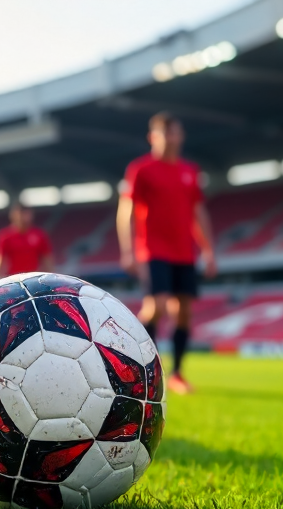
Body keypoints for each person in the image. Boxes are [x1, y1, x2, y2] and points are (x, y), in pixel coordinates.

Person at [116, 112, 216, 395]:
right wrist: (127, 250)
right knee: (157, 307)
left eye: (176, 132)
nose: (172, 138)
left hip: (184, 253)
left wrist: (208, 250)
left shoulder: (190, 171)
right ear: (153, 137)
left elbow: (198, 212)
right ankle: (145, 369)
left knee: (183, 314)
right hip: (153, 250)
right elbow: (127, 210)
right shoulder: (141, 169)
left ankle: (177, 374)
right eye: (166, 133)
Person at [0, 203, 55, 278]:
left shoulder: (39, 235)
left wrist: (50, 277)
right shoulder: (5, 235)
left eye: (26, 214)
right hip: (13, 279)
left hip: (33, 278)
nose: (23, 217)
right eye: (20, 214)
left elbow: (47, 259)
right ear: (13, 215)